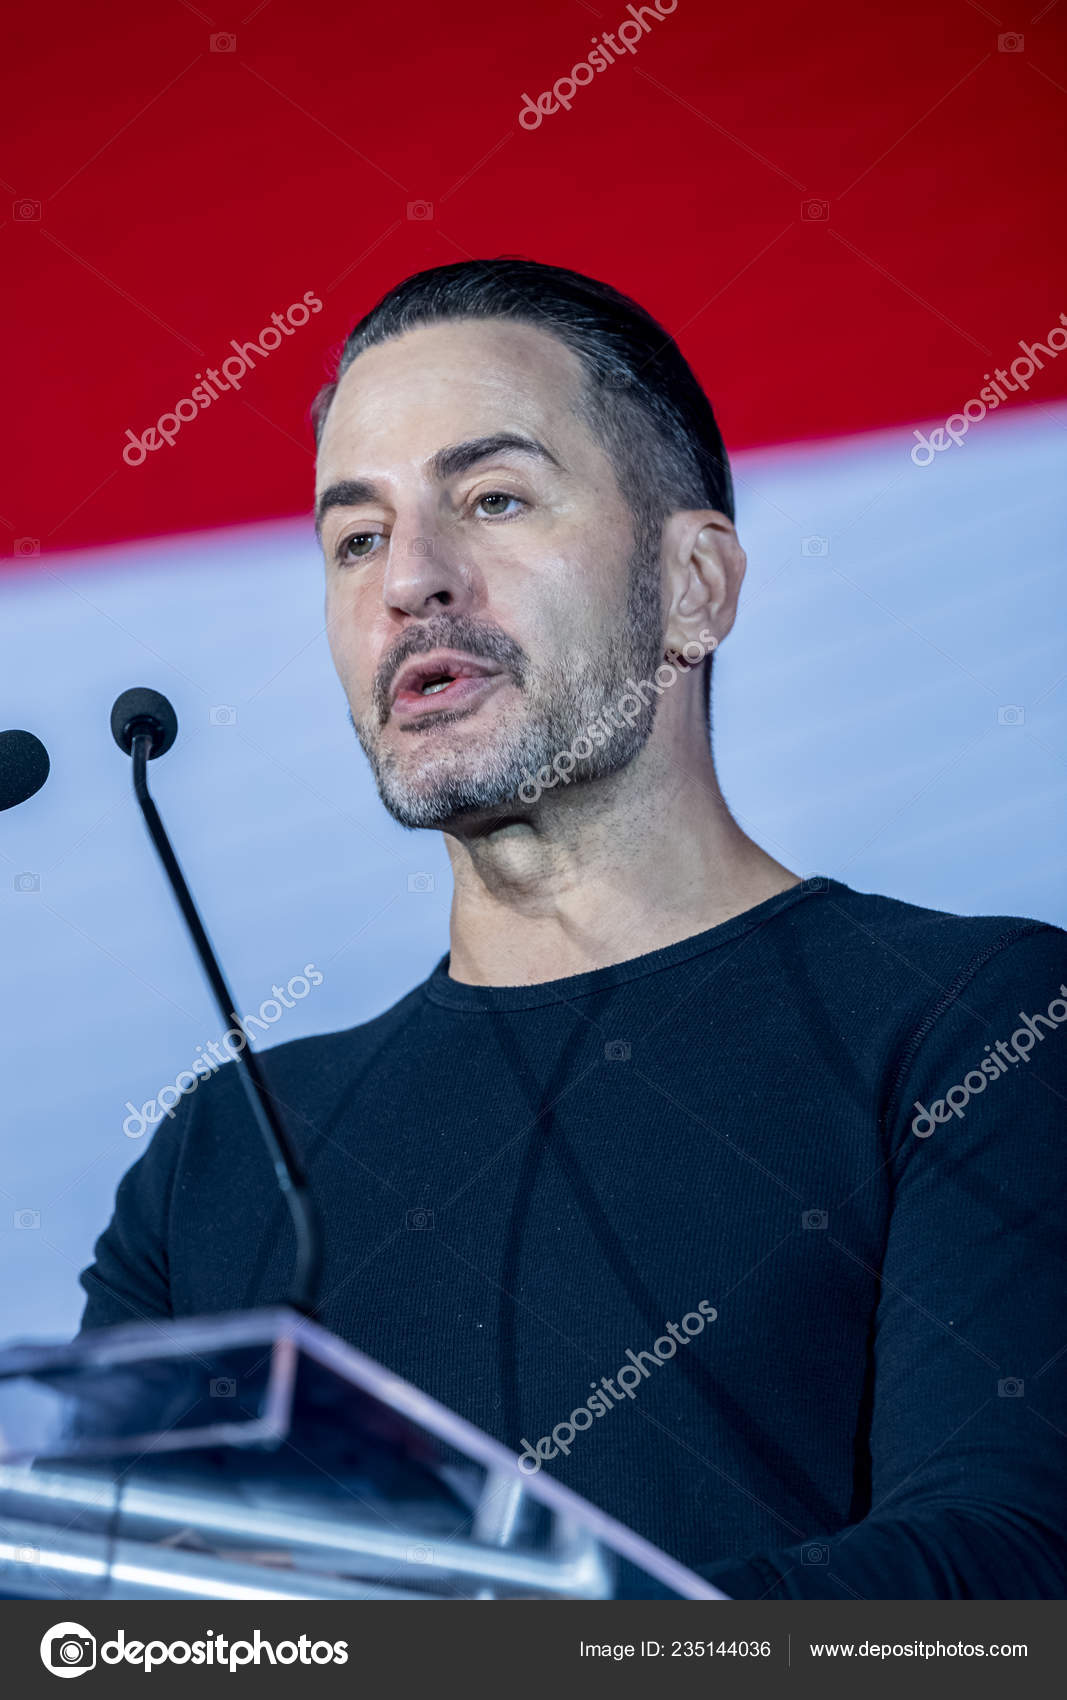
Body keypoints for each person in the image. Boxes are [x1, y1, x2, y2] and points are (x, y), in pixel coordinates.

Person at [80, 259, 1067, 1599]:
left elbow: (1008, 1581)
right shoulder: (227, 1159)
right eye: (356, 537)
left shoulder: (979, 1026)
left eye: (492, 499)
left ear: (699, 585)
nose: (411, 581)